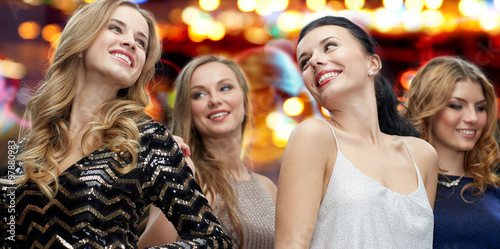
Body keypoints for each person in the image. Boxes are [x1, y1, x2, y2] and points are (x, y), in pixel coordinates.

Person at [0, 0, 232, 248]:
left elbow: (214, 240)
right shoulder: (28, 146)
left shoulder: (148, 139)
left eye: (141, 42)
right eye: (116, 28)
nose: (131, 42)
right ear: (80, 42)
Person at [274, 16, 439, 248]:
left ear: (372, 63)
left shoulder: (422, 155)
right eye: (304, 61)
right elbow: (291, 244)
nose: (314, 62)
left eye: (329, 46)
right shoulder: (314, 136)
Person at [139, 55, 276, 248]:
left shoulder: (268, 187)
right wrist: (179, 182)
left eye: (225, 88)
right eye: (199, 94)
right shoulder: (184, 177)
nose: (215, 100)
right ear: (188, 111)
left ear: (246, 102)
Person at [402, 56, 500, 248]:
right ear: (426, 108)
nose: (473, 117)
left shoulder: (493, 193)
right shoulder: (398, 186)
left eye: (480, 108)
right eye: (456, 105)